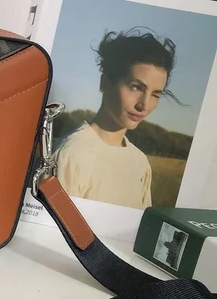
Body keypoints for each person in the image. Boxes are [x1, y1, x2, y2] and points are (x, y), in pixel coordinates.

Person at [54, 29, 180, 209]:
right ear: (105, 82)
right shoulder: (69, 155)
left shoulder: (140, 163)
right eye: (136, 87)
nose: (144, 104)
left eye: (155, 94)